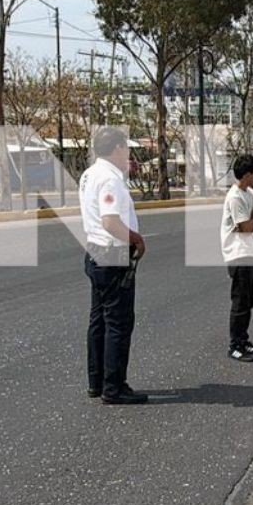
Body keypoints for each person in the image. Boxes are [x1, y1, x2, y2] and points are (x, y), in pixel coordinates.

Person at [80, 127, 148, 404]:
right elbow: (110, 222)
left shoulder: (89, 174)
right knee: (118, 324)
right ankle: (114, 387)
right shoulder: (110, 179)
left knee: (99, 322)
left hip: (95, 253)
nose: (128, 155)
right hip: (112, 255)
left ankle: (97, 382)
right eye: (127, 149)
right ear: (118, 148)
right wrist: (137, 239)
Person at [221, 154, 253, 362]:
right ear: (247, 174)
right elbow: (246, 227)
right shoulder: (235, 197)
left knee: (248, 301)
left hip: (250, 252)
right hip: (238, 254)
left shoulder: (249, 192)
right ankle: (235, 345)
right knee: (240, 302)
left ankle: (244, 339)